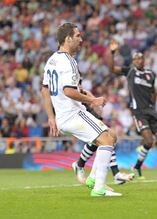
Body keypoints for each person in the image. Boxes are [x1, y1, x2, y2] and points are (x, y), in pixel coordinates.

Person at [41, 23, 121, 196]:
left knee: (111, 135)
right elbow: (68, 91)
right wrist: (93, 100)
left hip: (64, 116)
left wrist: (51, 117)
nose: (81, 39)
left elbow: (45, 89)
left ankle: (92, 178)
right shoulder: (68, 61)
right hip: (73, 114)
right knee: (106, 140)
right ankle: (99, 188)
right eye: (77, 36)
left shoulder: (52, 60)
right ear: (67, 39)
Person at [108, 41, 157, 180]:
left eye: (140, 58)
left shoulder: (150, 74)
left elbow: (153, 92)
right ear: (133, 61)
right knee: (149, 141)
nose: (138, 60)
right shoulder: (130, 71)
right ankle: (138, 166)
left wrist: (153, 106)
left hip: (150, 110)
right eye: (136, 59)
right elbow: (112, 69)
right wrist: (112, 54)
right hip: (138, 112)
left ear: (144, 60)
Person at [71, 80, 135, 185]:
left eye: (79, 82)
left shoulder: (82, 91)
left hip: (90, 116)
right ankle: (114, 175)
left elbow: (94, 102)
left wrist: (96, 103)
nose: (79, 85)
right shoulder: (70, 92)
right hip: (81, 117)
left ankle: (81, 166)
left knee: (105, 140)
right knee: (106, 139)